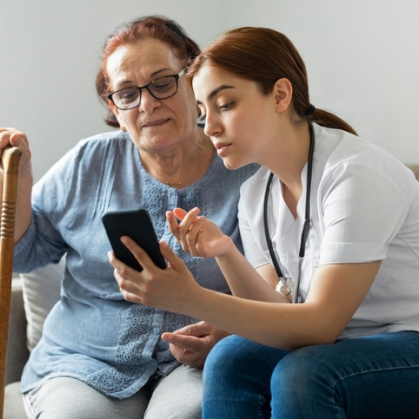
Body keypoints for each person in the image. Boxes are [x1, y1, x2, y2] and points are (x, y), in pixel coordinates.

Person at [112, 26, 419, 418]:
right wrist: (225, 251)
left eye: (225, 104)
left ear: (280, 95)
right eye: (203, 112)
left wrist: (188, 297)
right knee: (229, 357)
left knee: (303, 374)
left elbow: (320, 325)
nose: (210, 127)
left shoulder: (356, 173)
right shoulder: (255, 192)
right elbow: (277, 307)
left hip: (405, 338)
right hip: (343, 344)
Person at [0, 17, 258, 419]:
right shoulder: (89, 161)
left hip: (198, 362)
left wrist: (234, 333)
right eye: (126, 93)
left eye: (162, 83)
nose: (147, 104)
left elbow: (288, 286)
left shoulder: (248, 166)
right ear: (115, 109)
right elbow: (21, 257)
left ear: (193, 82)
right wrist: (19, 187)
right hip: (85, 362)